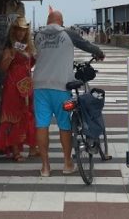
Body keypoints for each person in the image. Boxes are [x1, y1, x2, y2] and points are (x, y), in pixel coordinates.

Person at [32, 10, 105, 177]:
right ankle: (67, 163)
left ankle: (45, 167)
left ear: (48, 20)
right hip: (61, 85)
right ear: (61, 22)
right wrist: (99, 53)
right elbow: (87, 46)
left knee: (41, 125)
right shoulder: (68, 34)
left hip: (40, 86)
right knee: (64, 125)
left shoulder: (37, 36)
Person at [0, 16, 39, 162]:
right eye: (19, 30)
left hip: (26, 84)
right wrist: (11, 56)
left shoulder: (28, 47)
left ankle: (32, 148)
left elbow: (30, 65)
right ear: (14, 31)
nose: (21, 33)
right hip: (13, 85)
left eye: (23, 30)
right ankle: (16, 151)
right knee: (14, 117)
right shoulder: (10, 47)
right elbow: (3, 68)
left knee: (29, 114)